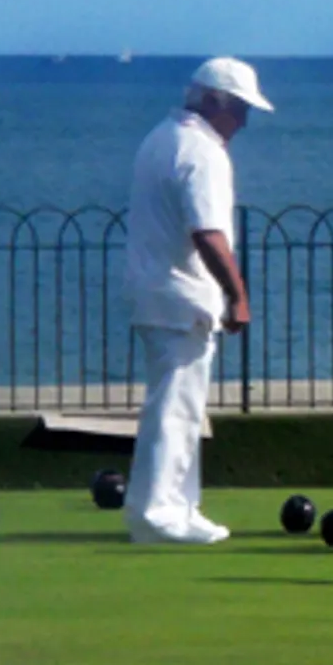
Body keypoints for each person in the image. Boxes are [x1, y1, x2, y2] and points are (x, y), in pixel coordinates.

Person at [123, 57, 272, 544]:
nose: (244, 122)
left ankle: (181, 507)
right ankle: (158, 515)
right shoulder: (201, 151)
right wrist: (238, 294)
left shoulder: (161, 137)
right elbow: (207, 232)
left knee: (180, 405)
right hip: (181, 293)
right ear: (213, 102)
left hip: (157, 290)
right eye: (239, 109)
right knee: (174, 407)